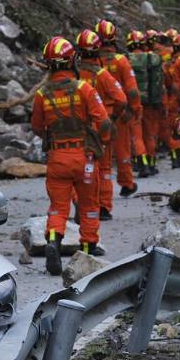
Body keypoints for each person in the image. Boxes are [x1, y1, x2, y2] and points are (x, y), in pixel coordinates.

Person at [31, 37, 113, 275]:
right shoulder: (84, 89)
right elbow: (104, 121)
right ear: (71, 61)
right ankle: (87, 248)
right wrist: (101, 142)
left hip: (57, 157)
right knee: (88, 204)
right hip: (83, 156)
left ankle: (54, 241)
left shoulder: (42, 94)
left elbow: (37, 126)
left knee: (58, 206)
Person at [74, 30, 129, 222]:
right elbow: (122, 98)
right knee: (103, 168)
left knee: (79, 169)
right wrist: (114, 115)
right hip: (100, 126)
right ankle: (103, 208)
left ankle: (80, 203)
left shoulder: (73, 74)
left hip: (77, 129)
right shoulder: (102, 75)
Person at [91, 20, 142, 197]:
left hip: (97, 114)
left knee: (101, 154)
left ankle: (95, 187)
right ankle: (126, 183)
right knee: (122, 149)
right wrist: (135, 109)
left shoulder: (92, 63)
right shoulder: (121, 61)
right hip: (119, 112)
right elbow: (132, 89)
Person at [126, 30, 164, 178]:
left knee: (136, 134)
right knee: (150, 133)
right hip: (150, 102)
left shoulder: (125, 59)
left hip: (133, 102)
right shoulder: (153, 58)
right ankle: (151, 163)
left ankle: (141, 163)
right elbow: (160, 81)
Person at [164, 33, 180, 167]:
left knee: (173, 128)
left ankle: (175, 155)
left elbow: (165, 83)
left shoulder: (167, 65)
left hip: (171, 98)